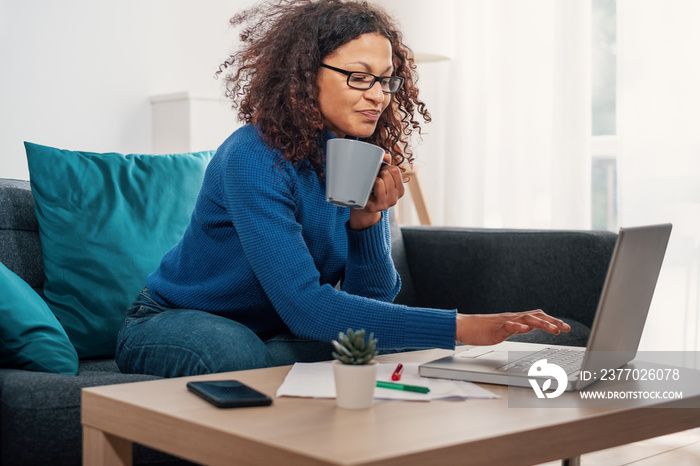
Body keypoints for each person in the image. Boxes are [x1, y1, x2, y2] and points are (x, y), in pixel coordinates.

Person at [115, 0, 570, 378]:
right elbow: (308, 309)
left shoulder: (354, 154)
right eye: (359, 76)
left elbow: (368, 304)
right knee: (238, 356)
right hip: (171, 322)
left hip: (268, 334)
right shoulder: (253, 156)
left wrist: (366, 225)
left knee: (368, 351)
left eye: (386, 79)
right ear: (304, 74)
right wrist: (462, 326)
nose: (378, 95)